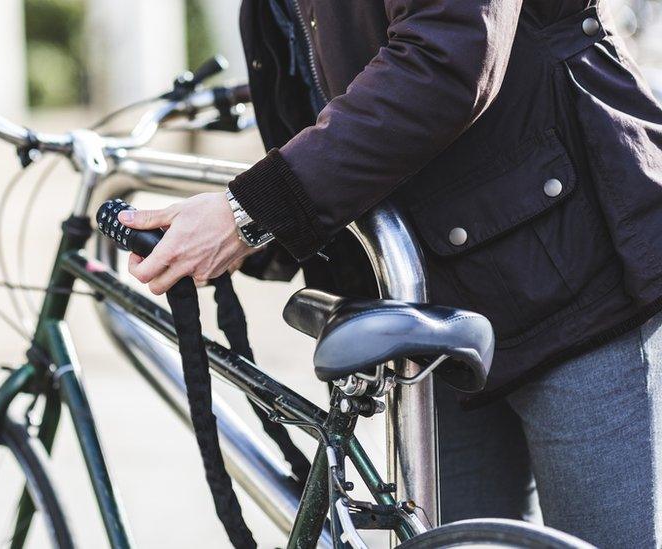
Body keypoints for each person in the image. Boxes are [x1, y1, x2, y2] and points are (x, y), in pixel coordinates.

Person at [118, 2, 662, 547]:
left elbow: (446, 55)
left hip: (577, 269)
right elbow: (311, 95)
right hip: (432, 298)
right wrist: (244, 236)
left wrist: (249, 214)